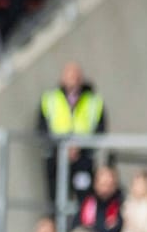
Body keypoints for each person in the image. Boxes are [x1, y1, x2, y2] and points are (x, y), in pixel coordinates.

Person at [38, 62, 104, 201]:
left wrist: (80, 146)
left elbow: (100, 129)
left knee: (84, 198)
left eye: (76, 76)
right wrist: (61, 147)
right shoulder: (50, 98)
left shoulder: (93, 100)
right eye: (70, 76)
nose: (73, 80)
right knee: (55, 199)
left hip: (83, 157)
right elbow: (42, 129)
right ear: (62, 79)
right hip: (57, 156)